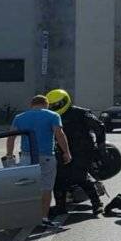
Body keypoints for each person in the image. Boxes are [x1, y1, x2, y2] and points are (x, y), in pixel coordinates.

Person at [6, 95, 72, 228]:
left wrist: (9, 155)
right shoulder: (52, 115)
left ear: (31, 105)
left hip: (27, 156)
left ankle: (26, 217)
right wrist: (66, 152)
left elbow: (11, 137)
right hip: (47, 156)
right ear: (46, 104)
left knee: (26, 187)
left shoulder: (20, 117)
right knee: (46, 187)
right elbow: (59, 135)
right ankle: (43, 217)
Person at [46, 89, 107, 217]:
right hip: (62, 150)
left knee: (80, 176)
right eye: (51, 105)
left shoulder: (81, 113)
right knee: (59, 179)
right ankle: (60, 206)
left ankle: (97, 204)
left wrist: (100, 146)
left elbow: (99, 127)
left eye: (57, 104)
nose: (54, 107)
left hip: (83, 150)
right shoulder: (51, 116)